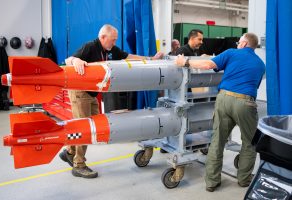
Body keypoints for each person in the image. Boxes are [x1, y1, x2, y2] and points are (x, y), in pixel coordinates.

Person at [59, 24, 163, 179]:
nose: (114, 43)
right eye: (112, 40)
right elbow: (68, 59)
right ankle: (78, 164)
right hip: (80, 92)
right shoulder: (90, 47)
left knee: (93, 126)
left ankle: (70, 152)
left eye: (115, 40)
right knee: (85, 129)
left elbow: (128, 56)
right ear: (102, 37)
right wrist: (76, 61)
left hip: (92, 93)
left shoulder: (111, 50)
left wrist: (150, 59)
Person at [175, 33, 265, 192]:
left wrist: (185, 61)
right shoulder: (260, 64)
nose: (237, 44)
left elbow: (208, 65)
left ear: (243, 44)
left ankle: (211, 182)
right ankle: (244, 179)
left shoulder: (231, 53)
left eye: (239, 42)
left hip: (223, 99)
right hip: (246, 102)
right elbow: (253, 85)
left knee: (217, 140)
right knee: (250, 142)